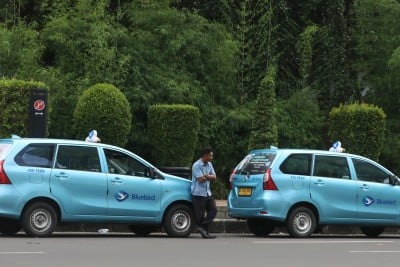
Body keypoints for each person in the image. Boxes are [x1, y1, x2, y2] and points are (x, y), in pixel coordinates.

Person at [191, 147, 218, 239]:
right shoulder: (196, 165)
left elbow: (214, 177)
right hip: (198, 193)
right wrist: (208, 176)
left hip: (207, 192)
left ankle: (202, 228)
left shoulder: (209, 164)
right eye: (210, 155)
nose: (211, 157)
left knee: (213, 210)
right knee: (200, 215)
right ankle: (205, 232)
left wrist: (206, 176)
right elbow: (200, 180)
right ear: (205, 155)